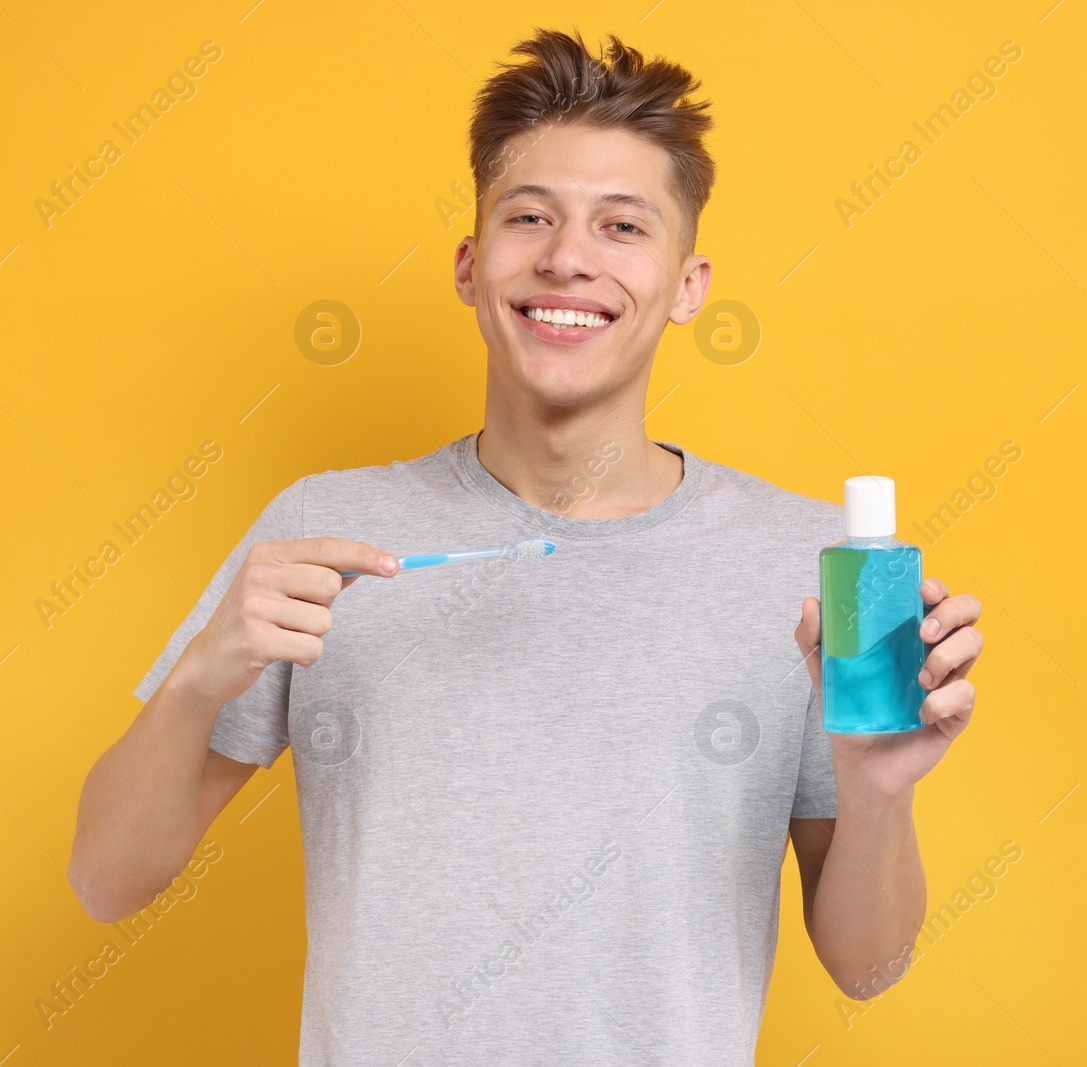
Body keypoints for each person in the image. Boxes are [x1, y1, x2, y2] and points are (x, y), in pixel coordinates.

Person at [68, 26, 983, 1065]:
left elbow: (865, 966)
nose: (567, 257)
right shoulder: (323, 534)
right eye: (529, 216)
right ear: (470, 265)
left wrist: (875, 793)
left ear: (688, 285)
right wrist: (195, 678)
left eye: (623, 225)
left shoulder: (816, 569)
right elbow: (106, 880)